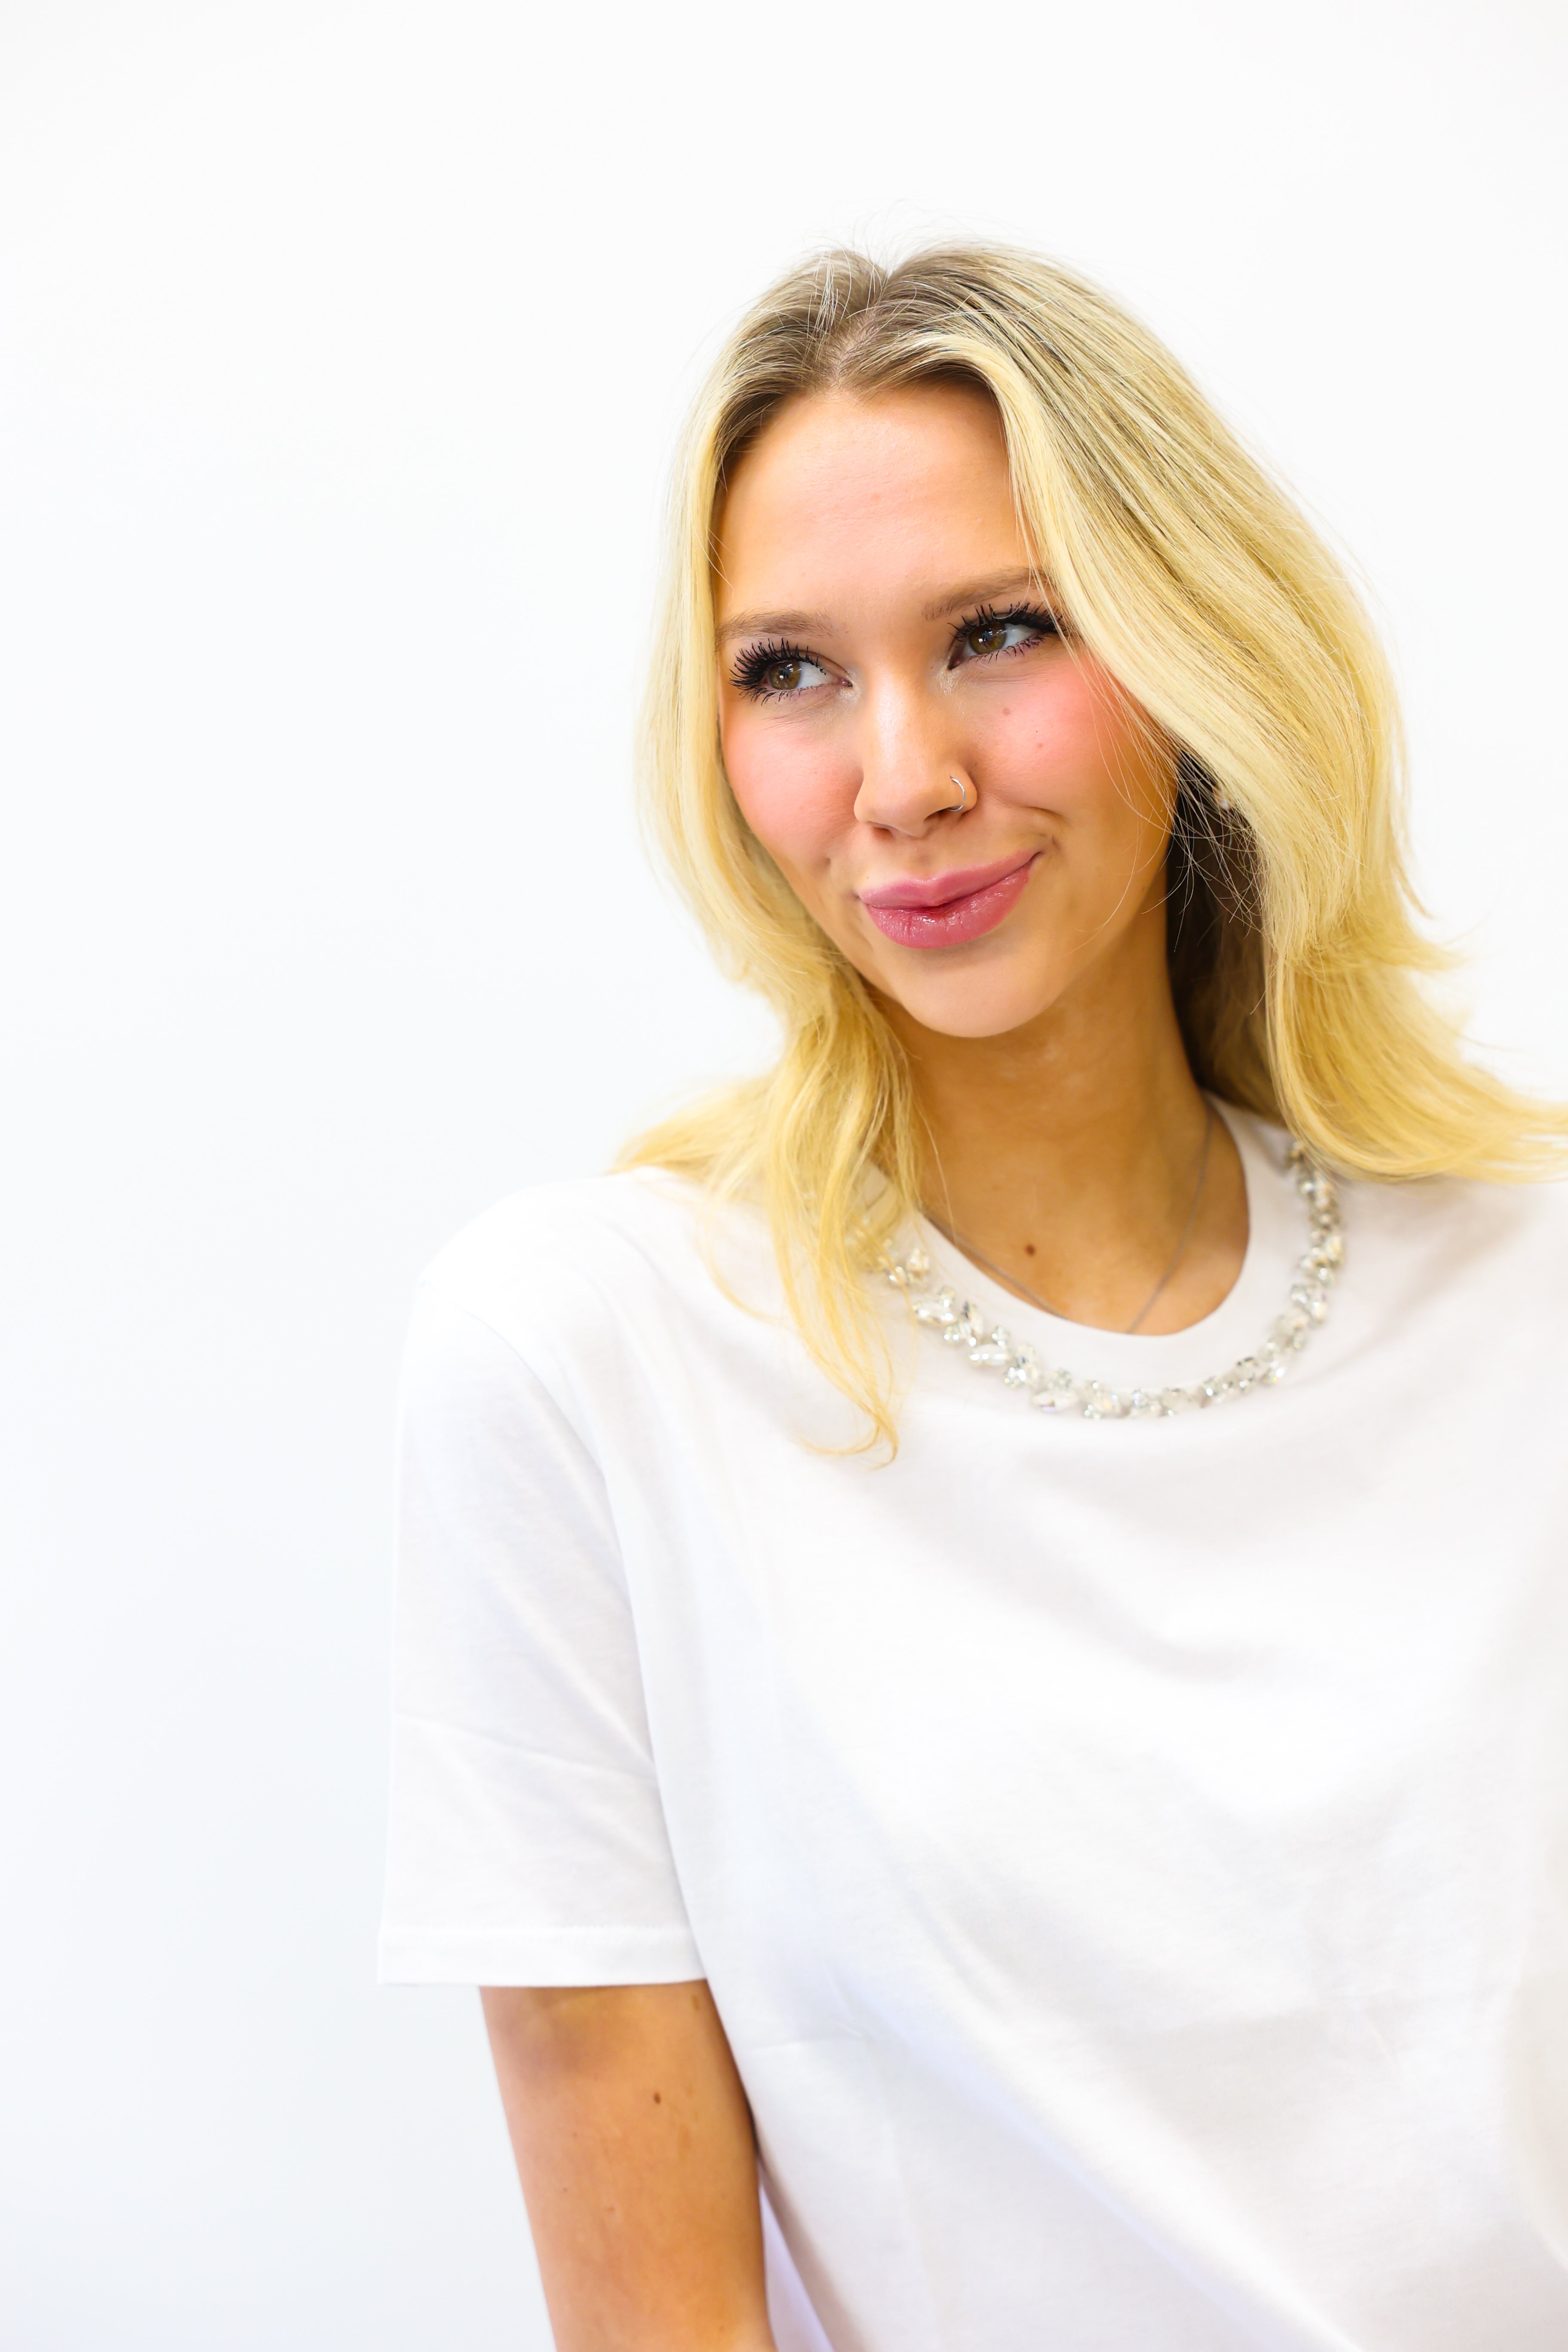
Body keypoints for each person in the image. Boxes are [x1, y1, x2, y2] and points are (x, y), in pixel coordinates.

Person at [378, 246, 1568, 2351]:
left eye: (999, 633)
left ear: (1201, 648)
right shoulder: (593, 1355)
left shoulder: (1525, 1283)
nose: (902, 777)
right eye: (791, 673)